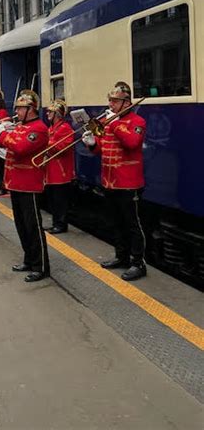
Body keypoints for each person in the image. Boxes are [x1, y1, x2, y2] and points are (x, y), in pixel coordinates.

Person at [82, 82, 147, 281]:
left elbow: (132, 143)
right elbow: (102, 148)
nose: (110, 104)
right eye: (109, 100)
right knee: (116, 222)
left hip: (129, 182)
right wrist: (92, 144)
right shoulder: (111, 123)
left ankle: (138, 263)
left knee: (132, 224)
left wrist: (115, 123)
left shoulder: (137, 121)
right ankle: (122, 257)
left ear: (126, 102)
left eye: (114, 101)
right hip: (110, 181)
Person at [0, 90, 50, 282]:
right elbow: (7, 145)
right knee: (21, 225)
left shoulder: (39, 128)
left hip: (29, 183)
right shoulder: (20, 126)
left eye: (20, 108)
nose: (16, 110)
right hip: (16, 182)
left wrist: (2, 134)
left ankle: (40, 266)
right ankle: (29, 258)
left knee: (33, 226)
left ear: (30, 109)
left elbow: (20, 147)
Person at [44, 100, 75, 234]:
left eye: (50, 111)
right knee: (53, 198)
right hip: (51, 170)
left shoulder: (65, 128)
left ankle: (61, 224)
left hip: (60, 170)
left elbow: (62, 147)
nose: (47, 113)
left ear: (57, 114)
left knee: (60, 200)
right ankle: (56, 222)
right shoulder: (51, 128)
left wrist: (46, 143)